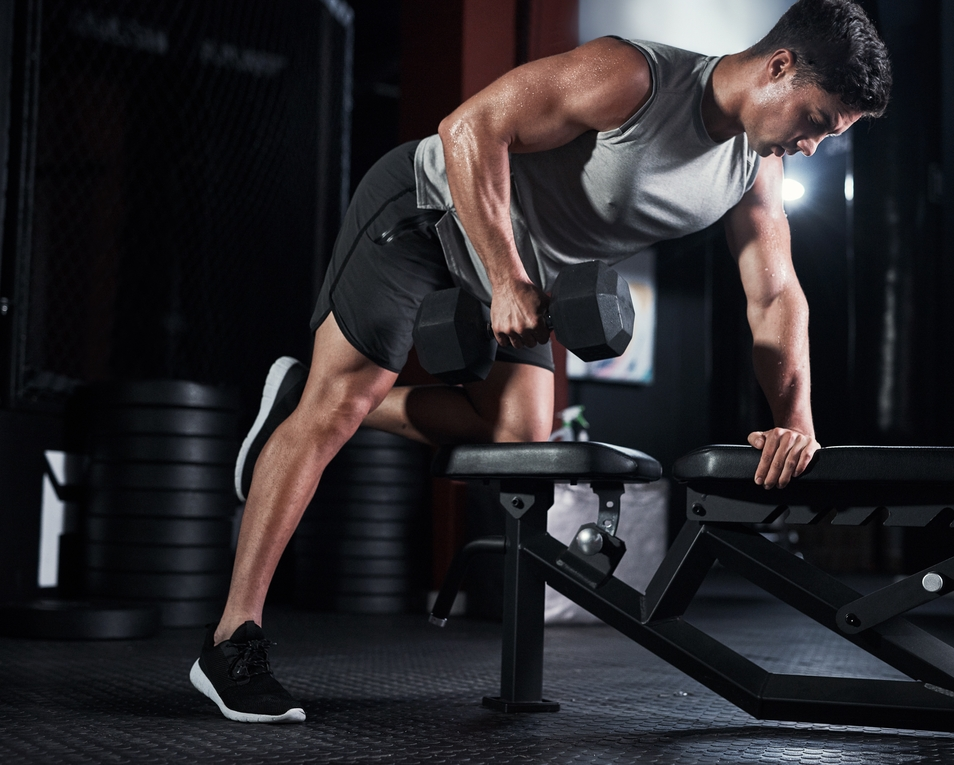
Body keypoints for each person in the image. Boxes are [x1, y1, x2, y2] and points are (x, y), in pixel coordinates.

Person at [188, 0, 892, 723]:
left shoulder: (756, 167)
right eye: (816, 120)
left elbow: (776, 295)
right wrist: (502, 276)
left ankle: (305, 392)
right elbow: (468, 128)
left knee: (516, 443)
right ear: (780, 67)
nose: (811, 146)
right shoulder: (635, 78)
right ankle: (230, 640)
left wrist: (795, 421)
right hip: (428, 211)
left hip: (525, 270)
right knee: (339, 405)